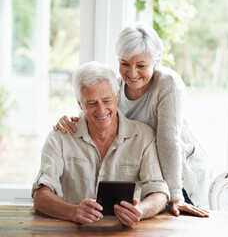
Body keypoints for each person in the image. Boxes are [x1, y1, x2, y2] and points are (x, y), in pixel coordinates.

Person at [54, 23, 210, 217]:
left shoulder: (168, 84)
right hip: (154, 181)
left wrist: (176, 195)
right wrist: (73, 119)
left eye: (141, 65)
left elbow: (168, 140)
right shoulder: (117, 88)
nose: (132, 73)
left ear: (156, 61)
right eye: (125, 63)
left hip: (180, 177)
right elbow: (101, 114)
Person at [32, 61, 170, 226]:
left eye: (106, 100)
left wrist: (141, 210)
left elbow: (159, 192)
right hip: (73, 231)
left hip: (123, 232)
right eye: (91, 103)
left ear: (117, 96)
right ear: (79, 104)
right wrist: (73, 211)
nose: (101, 110)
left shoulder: (144, 137)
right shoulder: (60, 137)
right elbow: (40, 196)